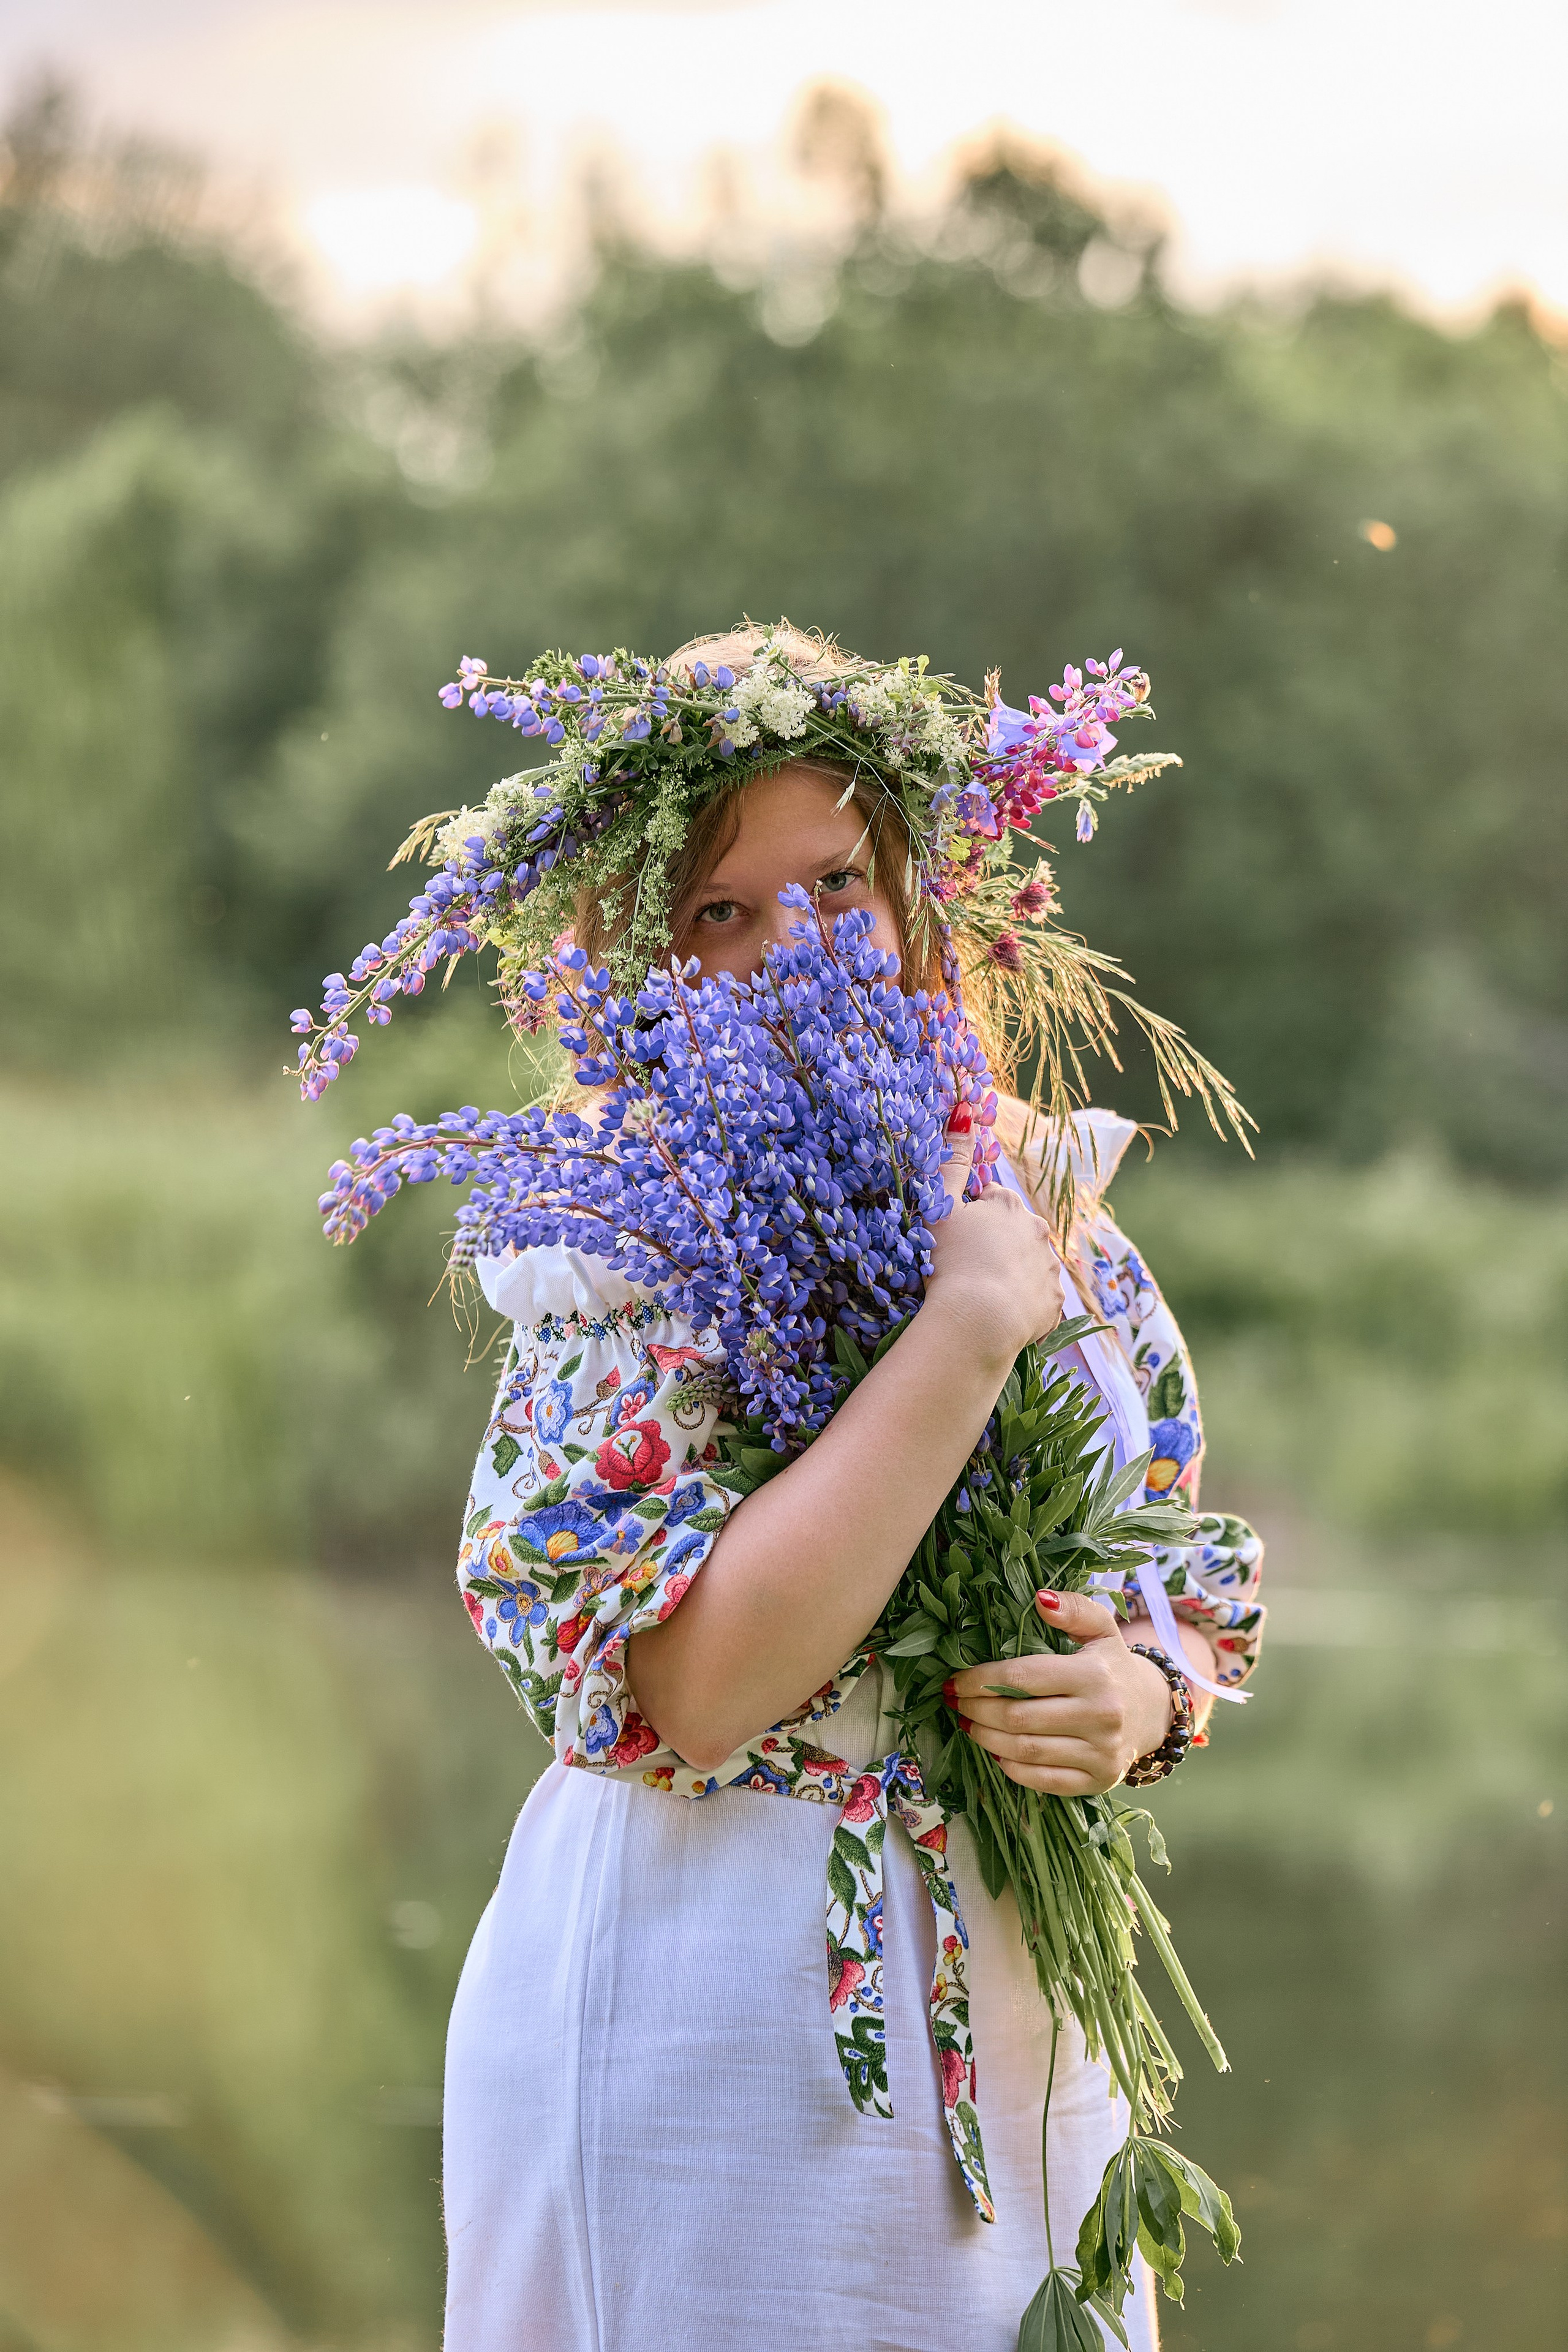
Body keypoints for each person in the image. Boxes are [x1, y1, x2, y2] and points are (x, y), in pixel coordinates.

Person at [439, 626, 1265, 2352]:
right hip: (711, 2014)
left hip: (1023, 2025)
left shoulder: (1053, 1212)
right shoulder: (623, 1249)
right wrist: (963, 1328)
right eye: (718, 914)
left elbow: (1181, 1564)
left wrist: (1135, 1691)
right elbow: (701, 1685)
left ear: (921, 898)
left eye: (839, 882)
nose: (793, 944)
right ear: (636, 962)